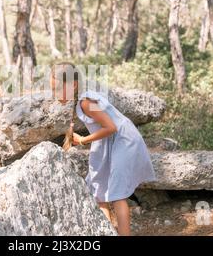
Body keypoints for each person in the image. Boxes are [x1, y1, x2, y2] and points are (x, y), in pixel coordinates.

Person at [50, 62, 157, 236]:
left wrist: (84, 140)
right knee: (98, 190)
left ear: (73, 85)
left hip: (123, 140)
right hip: (109, 142)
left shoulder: (87, 102)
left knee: (117, 194)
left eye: (57, 89)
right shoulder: (80, 102)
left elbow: (111, 127)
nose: (54, 94)